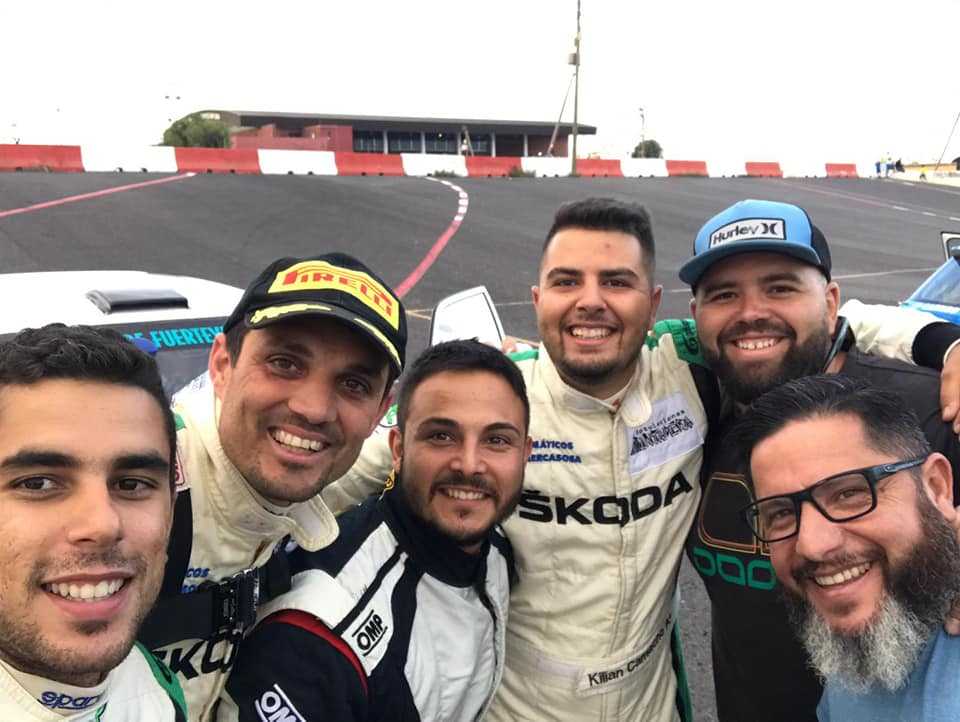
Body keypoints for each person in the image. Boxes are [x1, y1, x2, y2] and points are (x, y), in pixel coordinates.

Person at [326, 198, 960, 722]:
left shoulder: (687, 367)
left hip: (652, 701)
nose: (590, 301)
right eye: (567, 282)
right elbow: (348, 466)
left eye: (617, 282)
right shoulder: (495, 395)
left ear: (654, 305)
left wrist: (942, 340)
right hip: (515, 704)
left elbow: (799, 324)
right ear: (538, 299)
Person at [677, 198, 960, 722]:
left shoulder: (931, 410)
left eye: (781, 288)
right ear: (696, 317)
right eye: (724, 294)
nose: (751, 312)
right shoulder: (690, 412)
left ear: (831, 304)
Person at [140, 253, 407, 720]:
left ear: (379, 411)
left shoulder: (308, 477)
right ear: (222, 365)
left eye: (353, 384)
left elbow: (402, 454)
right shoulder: (141, 489)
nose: (314, 409)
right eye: (284, 363)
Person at [219, 340, 528, 721]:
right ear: (397, 449)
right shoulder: (317, 634)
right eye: (441, 436)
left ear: (525, 453)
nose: (469, 464)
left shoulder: (497, 548)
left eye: (497, 440)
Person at [732, 374, 960, 722]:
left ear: (936, 487)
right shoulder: (863, 640)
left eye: (849, 493)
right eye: (781, 513)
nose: (812, 545)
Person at [0, 325, 185, 721]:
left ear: (170, 510)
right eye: (38, 483)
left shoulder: (155, 687)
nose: (103, 524)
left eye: (131, 484)